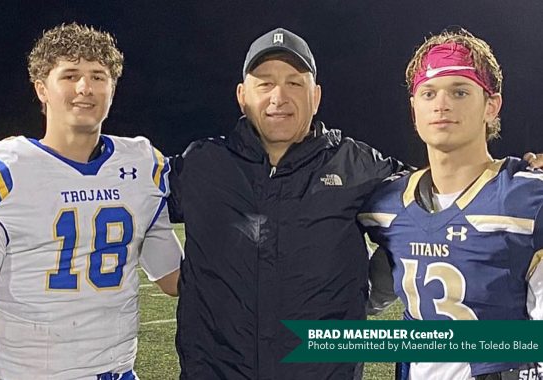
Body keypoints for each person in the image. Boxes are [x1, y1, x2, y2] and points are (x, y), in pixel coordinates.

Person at [168, 27, 409, 380]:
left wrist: (511, 175)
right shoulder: (202, 164)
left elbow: (435, 201)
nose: (278, 96)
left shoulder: (356, 167)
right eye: (264, 83)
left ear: (316, 96)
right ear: (242, 95)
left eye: (295, 83)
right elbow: (126, 194)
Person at [0, 22, 183, 380]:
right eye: (70, 75)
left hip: (121, 372)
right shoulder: (3, 174)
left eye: (98, 77)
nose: (85, 88)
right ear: (42, 89)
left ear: (112, 89)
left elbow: (173, 278)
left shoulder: (142, 164)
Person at [358, 29, 542, 380]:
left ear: (491, 106)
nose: (442, 105)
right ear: (414, 109)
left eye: (460, 92)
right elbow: (367, 291)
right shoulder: (387, 201)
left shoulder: (526, 200)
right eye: (428, 93)